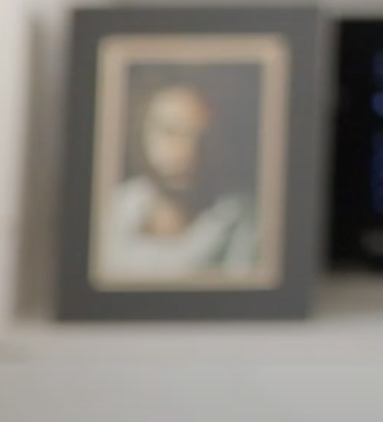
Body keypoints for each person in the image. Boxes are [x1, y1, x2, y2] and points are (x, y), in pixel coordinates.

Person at [97, 75, 262, 282]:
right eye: (170, 131)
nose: (187, 151)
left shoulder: (247, 224)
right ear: (141, 134)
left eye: (202, 136)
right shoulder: (107, 210)